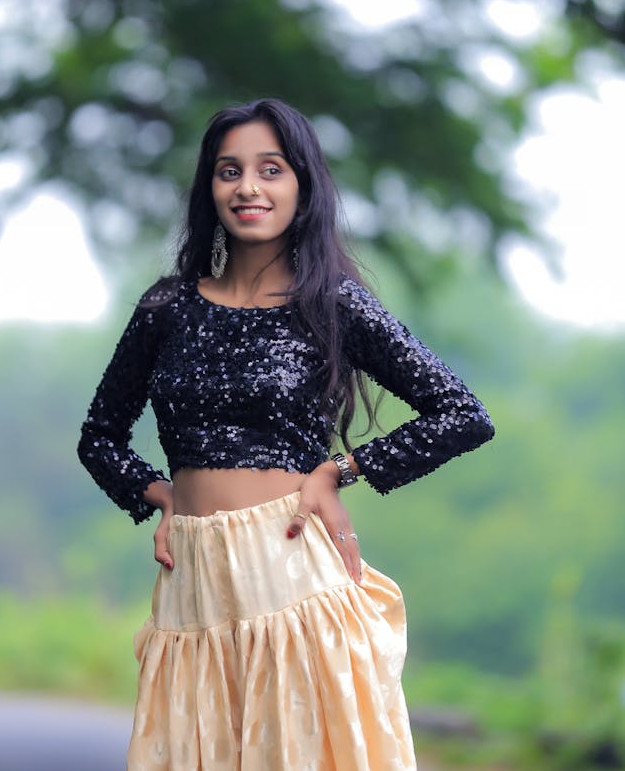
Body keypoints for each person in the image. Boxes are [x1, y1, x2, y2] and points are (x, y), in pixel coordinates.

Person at [78, 97, 495, 771]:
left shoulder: (330, 302)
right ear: (208, 188)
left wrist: (341, 470)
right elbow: (99, 435)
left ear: (302, 185)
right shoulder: (167, 308)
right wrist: (157, 493)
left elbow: (461, 412)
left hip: (291, 572)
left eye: (270, 169)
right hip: (194, 589)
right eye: (229, 170)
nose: (248, 186)